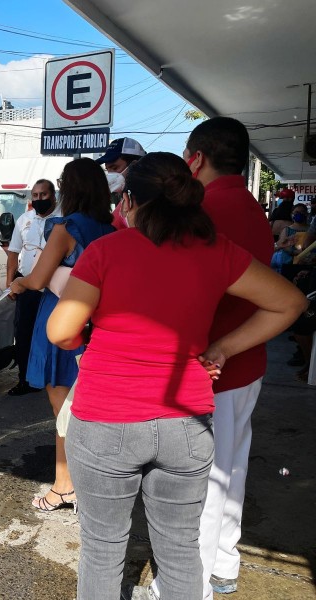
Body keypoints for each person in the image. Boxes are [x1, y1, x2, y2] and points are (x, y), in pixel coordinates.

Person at [47, 152, 306, 600]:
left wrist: (84, 343)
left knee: (103, 548)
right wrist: (221, 348)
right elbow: (290, 302)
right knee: (181, 550)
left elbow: (61, 330)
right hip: (186, 421)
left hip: (106, 417)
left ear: (129, 201)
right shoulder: (217, 250)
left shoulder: (108, 250)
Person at [181, 116, 277, 599]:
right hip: (250, 363)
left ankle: (189, 583)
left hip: (212, 368)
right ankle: (224, 564)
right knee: (232, 468)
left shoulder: (203, 209)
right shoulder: (254, 207)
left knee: (205, 481)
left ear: (196, 158)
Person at [9, 158, 114, 512]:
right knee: (88, 407)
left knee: (64, 411)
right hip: (96, 324)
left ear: (69, 190)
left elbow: (38, 279)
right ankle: (84, 481)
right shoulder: (110, 229)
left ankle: (64, 486)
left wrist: (18, 283)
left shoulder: (66, 228)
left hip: (61, 320)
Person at [5, 179, 61, 396]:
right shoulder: (24, 220)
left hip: (52, 287)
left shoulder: (62, 219)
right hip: (26, 284)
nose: (39, 199)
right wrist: (10, 282)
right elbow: (13, 252)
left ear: (53, 196)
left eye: (43, 195)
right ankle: (25, 380)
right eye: (35, 196)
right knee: (24, 333)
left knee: (52, 333)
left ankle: (52, 378)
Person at [95, 137, 146, 229]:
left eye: (115, 168)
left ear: (134, 165)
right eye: (107, 169)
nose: (110, 175)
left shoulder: (145, 204)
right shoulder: (124, 201)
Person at [271, 203, 310, 272]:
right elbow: (283, 245)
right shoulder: (287, 229)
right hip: (289, 263)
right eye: (297, 212)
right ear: (292, 214)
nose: (299, 214)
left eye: (302, 212)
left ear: (306, 214)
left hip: (308, 261)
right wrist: (295, 252)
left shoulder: (311, 230)